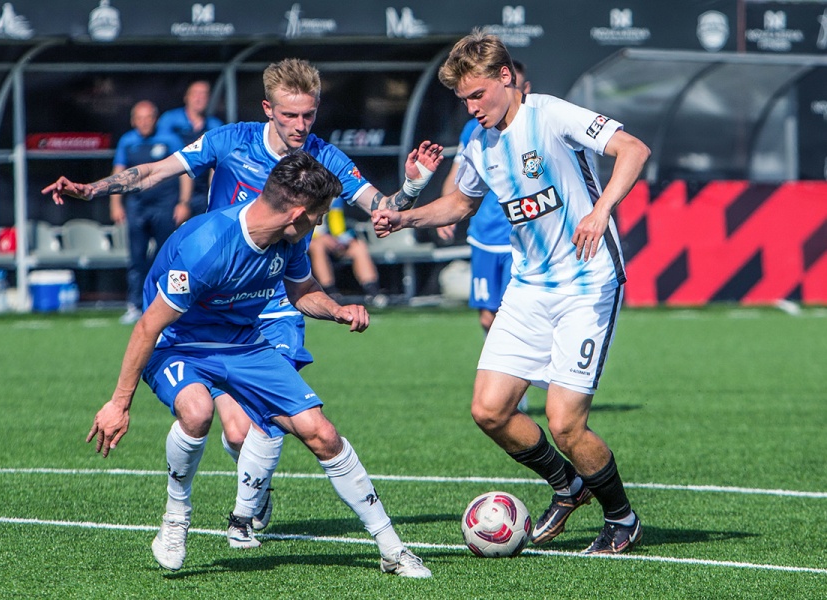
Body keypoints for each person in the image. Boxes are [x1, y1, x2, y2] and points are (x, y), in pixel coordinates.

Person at [43, 58, 442, 534]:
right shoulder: (232, 140)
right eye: (290, 115)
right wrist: (93, 189)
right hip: (220, 296)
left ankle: (243, 519)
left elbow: (383, 212)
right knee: (235, 432)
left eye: (309, 115)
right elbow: (155, 172)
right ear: (268, 109)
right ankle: (252, 492)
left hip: (280, 295)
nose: (301, 126)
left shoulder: (326, 158)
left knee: (273, 420)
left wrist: (412, 186)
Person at [85, 152, 431, 578]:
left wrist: (336, 310)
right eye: (319, 215)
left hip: (244, 343)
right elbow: (148, 327)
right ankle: (176, 517)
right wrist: (119, 404)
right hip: (179, 344)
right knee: (197, 412)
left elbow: (301, 290)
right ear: (298, 213)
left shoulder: (290, 238)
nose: (321, 222)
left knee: (321, 433)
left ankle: (392, 549)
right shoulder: (207, 246)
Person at [373, 30, 650, 555]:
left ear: (506, 77)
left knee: (566, 424)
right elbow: (460, 204)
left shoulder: (551, 114)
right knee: (489, 410)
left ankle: (622, 519)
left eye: (478, 95)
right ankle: (568, 486)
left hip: (586, 283)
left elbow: (633, 150)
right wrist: (405, 216)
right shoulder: (480, 142)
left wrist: (601, 210)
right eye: (464, 100)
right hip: (528, 289)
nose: (472, 108)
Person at [439, 60, 530, 411]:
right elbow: (459, 172)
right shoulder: (475, 130)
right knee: (487, 317)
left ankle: (516, 389)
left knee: (516, 314)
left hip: (519, 239)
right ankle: (506, 380)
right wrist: (446, 211)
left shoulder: (534, 126)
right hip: (484, 237)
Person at [109, 100, 189, 325]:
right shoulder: (127, 141)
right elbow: (119, 173)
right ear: (133, 121)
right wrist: (115, 204)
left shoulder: (170, 140)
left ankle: (164, 303)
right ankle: (134, 305)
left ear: (156, 119)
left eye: (148, 118)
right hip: (137, 206)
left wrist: (183, 202)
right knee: (136, 257)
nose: (144, 122)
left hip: (165, 205)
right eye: (140, 118)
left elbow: (185, 171)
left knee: (165, 255)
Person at [157, 80, 224, 219]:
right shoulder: (169, 120)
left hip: (201, 191)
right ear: (186, 97)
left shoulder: (216, 126)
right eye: (196, 94)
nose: (199, 98)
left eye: (203, 94)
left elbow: (218, 163)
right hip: (171, 190)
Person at [308, 197, 386, 306]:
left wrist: (341, 238)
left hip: (330, 240)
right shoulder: (305, 194)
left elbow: (336, 220)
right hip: (309, 240)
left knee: (358, 246)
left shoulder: (334, 197)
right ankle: (330, 292)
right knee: (318, 246)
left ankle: (373, 292)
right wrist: (319, 236)